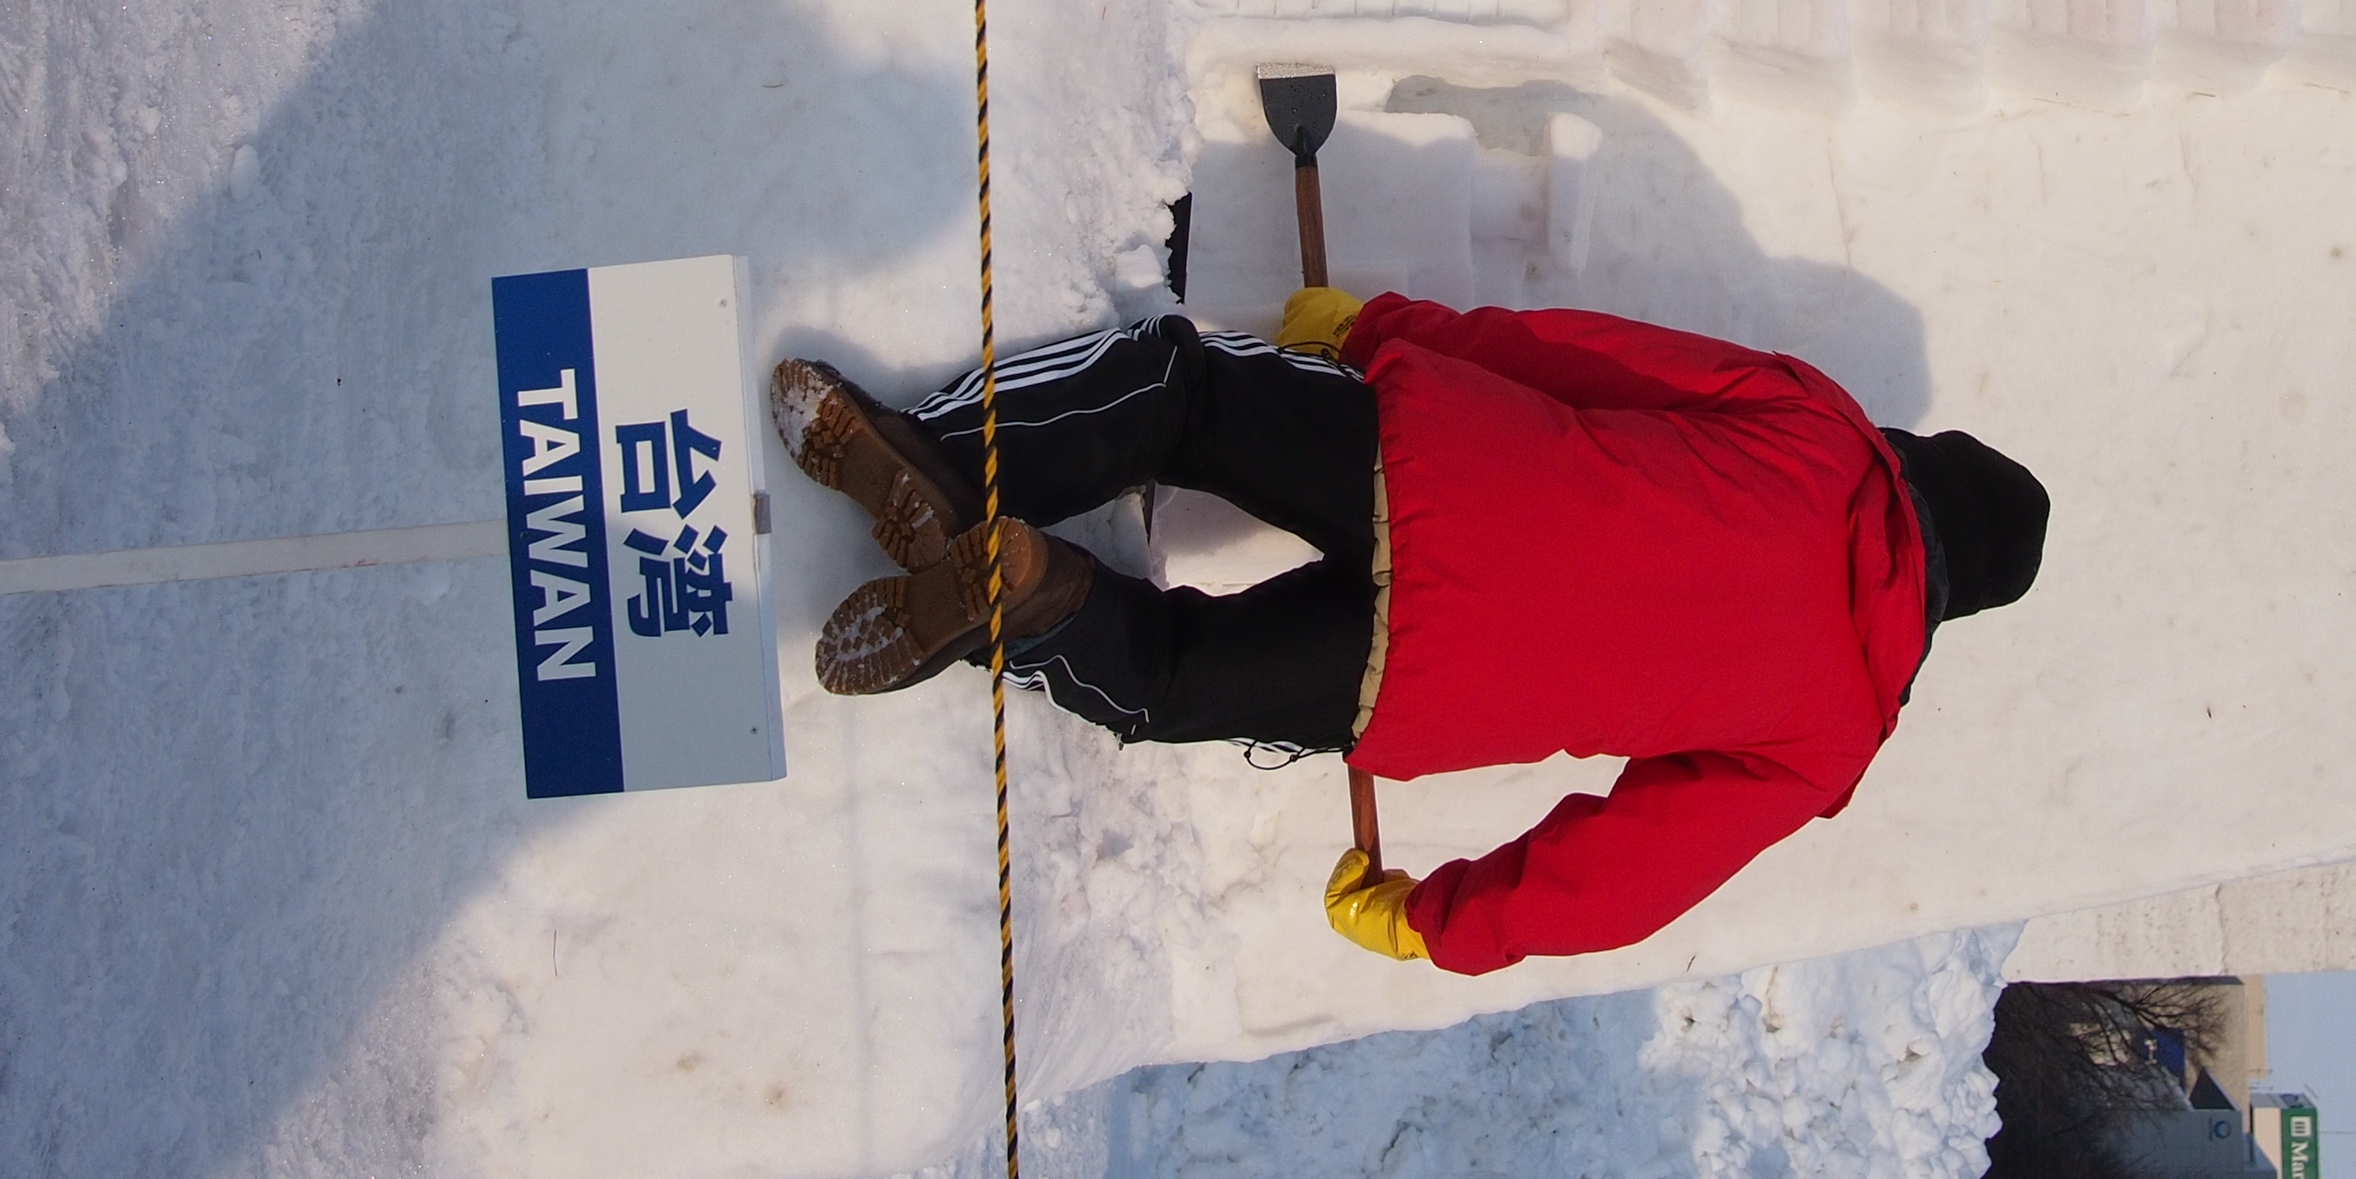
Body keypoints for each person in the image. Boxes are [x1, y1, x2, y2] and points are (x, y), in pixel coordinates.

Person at [769, 293, 2047, 974]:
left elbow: (1587, 357)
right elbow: (1634, 871)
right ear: (1949, 611)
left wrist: (1389, 331)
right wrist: (1444, 922)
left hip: (1435, 463)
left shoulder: (1823, 430)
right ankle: (1033, 597)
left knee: (1185, 399)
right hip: (1426, 680)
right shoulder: (1834, 736)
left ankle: (943, 463)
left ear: (1918, 461)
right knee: (1171, 678)